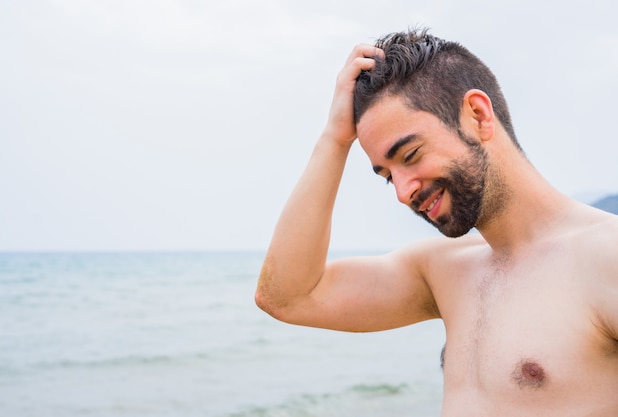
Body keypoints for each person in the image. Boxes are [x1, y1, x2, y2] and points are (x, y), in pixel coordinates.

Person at [255, 28, 618, 416]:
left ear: (477, 115)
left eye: (410, 155)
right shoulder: (444, 271)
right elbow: (287, 297)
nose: (403, 191)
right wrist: (333, 139)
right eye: (388, 176)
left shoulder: (604, 257)